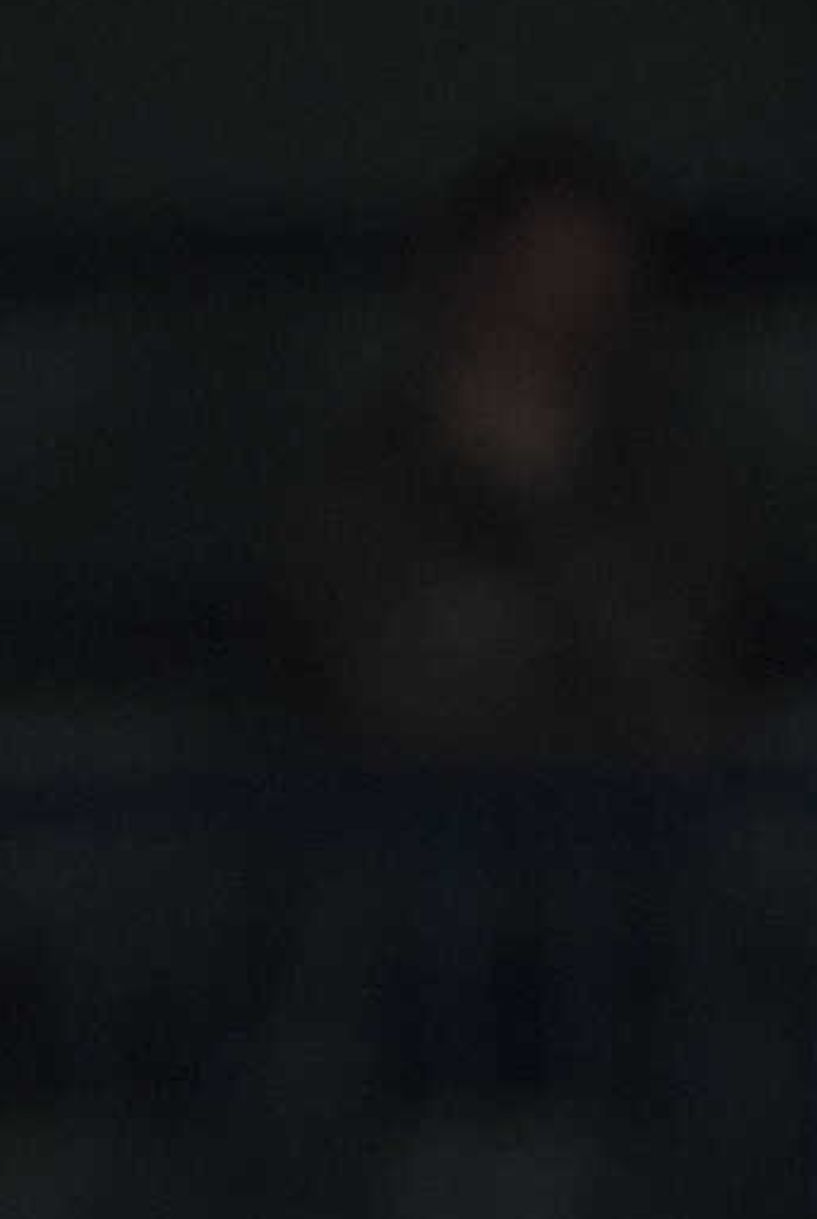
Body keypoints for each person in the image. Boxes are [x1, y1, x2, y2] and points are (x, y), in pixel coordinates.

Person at [280, 133, 751, 760]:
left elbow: (672, 682)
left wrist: (546, 498)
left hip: (634, 827)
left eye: (591, 289)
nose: (556, 320)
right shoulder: (358, 477)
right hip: (405, 830)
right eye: (530, 281)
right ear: (470, 283)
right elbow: (384, 691)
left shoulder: (677, 474)